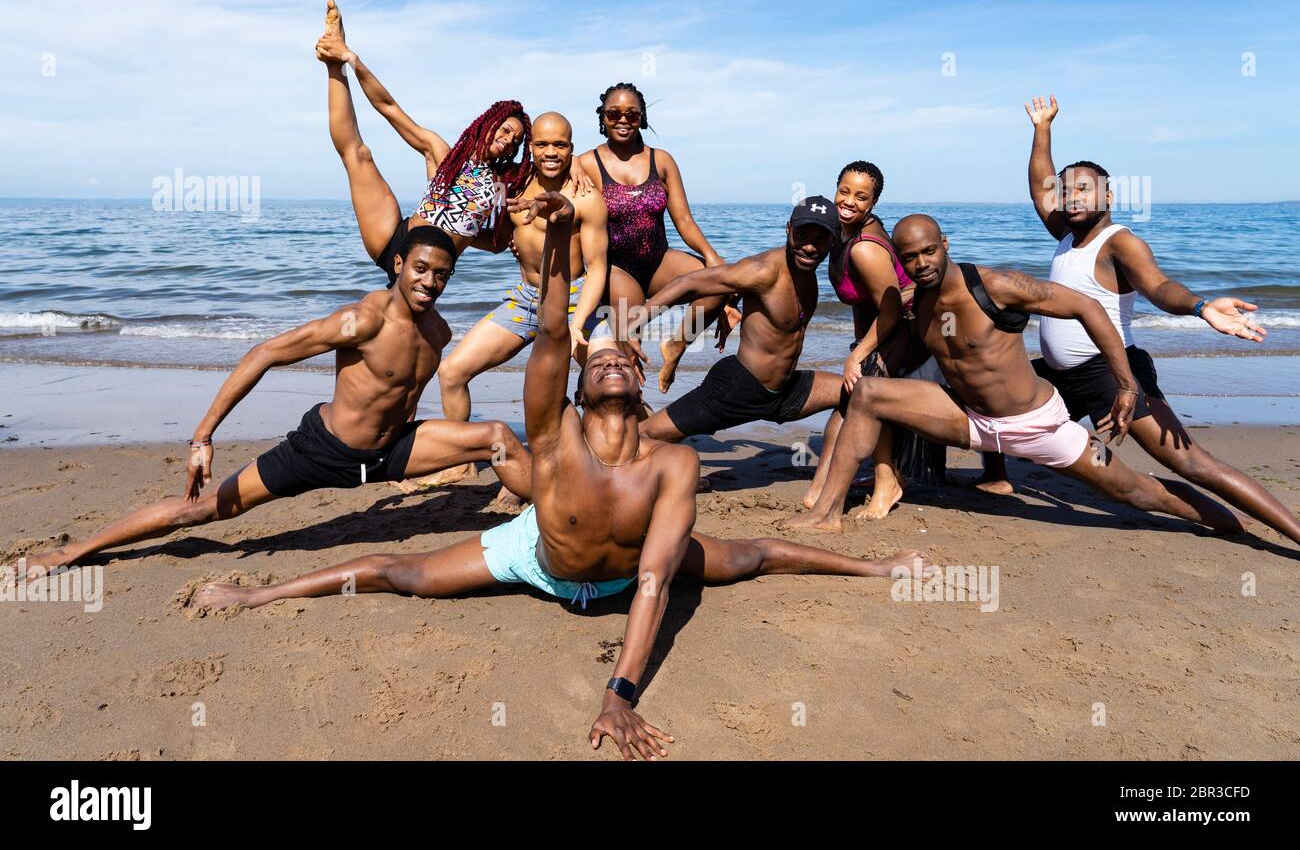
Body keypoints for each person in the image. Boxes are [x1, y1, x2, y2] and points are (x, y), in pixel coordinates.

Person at [190, 193, 933, 760]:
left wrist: (619, 695)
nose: (610, 358)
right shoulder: (552, 436)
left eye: (625, 359)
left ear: (643, 388)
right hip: (535, 556)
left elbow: (652, 584)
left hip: (621, 576)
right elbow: (552, 334)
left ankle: (875, 567)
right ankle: (259, 592)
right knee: (398, 571)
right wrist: (560, 245)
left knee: (760, 556)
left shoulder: (673, 461)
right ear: (579, 388)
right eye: (598, 359)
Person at [15, 227, 532, 579]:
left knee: (497, 438)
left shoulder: (438, 330)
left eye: (442, 275)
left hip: (392, 450)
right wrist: (202, 437)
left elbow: (403, 397)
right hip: (324, 451)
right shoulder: (360, 321)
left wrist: (421, 449)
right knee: (202, 512)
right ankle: (72, 551)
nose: (430, 283)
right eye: (421, 269)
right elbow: (264, 353)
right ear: (398, 264)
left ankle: (557, 530)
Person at [787, 214, 1246, 535]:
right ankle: (828, 512)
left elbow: (1086, 306)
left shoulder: (994, 284)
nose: (921, 263)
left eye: (928, 251)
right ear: (900, 263)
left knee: (1140, 493)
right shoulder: (918, 302)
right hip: (970, 422)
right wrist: (858, 356)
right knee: (868, 393)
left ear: (944, 246)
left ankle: (1231, 525)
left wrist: (1127, 383)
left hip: (1039, 427)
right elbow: (890, 321)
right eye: (909, 258)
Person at [974, 96, 1298, 546]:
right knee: (993, 399)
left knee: (1191, 463)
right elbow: (1038, 188)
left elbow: (1158, 286)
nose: (1071, 197)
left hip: (1109, 372)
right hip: (1061, 375)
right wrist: (1042, 129)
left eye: (1083, 189)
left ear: (1107, 196)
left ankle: (1291, 532)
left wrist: (1202, 307)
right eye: (1066, 190)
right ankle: (997, 477)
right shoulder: (1068, 234)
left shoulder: (1118, 242)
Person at [429, 111, 610, 485]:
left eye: (560, 145)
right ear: (531, 146)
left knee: (608, 381)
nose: (551, 152)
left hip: (576, 301)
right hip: (526, 299)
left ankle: (627, 456)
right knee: (451, 372)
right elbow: (488, 226)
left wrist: (578, 324)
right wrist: (442, 229)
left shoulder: (587, 196)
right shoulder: (514, 183)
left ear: (571, 149)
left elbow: (598, 268)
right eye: (542, 144)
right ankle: (461, 464)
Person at [313, 0, 533, 284]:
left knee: (409, 323)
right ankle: (335, 59)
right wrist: (351, 58)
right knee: (358, 154)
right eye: (504, 130)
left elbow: (496, 243)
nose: (508, 141)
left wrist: (463, 235)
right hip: (394, 236)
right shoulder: (444, 153)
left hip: (430, 265)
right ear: (489, 123)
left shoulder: (503, 185)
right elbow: (388, 107)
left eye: (516, 141)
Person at [634, 197, 846, 444]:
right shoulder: (763, 270)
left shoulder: (809, 269)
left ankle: (830, 479)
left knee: (858, 393)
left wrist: (731, 303)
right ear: (788, 229)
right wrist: (632, 324)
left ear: (833, 239)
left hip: (785, 392)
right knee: (644, 435)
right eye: (802, 235)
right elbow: (687, 283)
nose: (810, 247)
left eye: (820, 239)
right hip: (738, 389)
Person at [804, 160, 946, 520]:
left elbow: (891, 308)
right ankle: (824, 487)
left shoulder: (865, 247)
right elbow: (862, 301)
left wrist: (858, 357)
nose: (849, 201)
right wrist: (860, 346)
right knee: (856, 397)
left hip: (910, 323)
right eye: (845, 191)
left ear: (873, 203)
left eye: (861, 196)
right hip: (886, 324)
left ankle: (886, 483)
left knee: (868, 394)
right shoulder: (840, 233)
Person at [577, 82, 728, 392]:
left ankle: (676, 347)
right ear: (602, 118)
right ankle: (627, 403)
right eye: (614, 114)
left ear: (641, 118)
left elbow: (684, 220)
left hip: (659, 261)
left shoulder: (661, 160)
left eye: (631, 115)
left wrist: (713, 259)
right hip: (615, 269)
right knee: (629, 346)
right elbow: (567, 213)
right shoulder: (586, 164)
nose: (622, 120)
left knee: (719, 285)